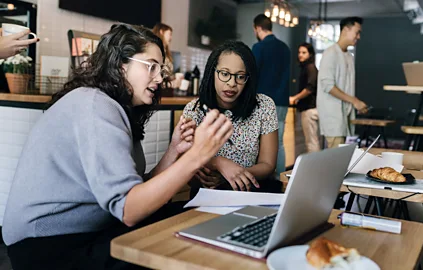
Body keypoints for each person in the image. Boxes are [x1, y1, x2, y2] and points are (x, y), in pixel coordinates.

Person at [2, 24, 233, 270]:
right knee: (178, 236)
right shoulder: (95, 106)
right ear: (121, 64)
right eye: (151, 66)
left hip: (86, 231)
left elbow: (131, 193)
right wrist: (196, 156)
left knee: (186, 217)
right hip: (47, 248)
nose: (159, 77)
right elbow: (129, 209)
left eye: (161, 68)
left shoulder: (112, 106)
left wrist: (174, 151)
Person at [183, 40, 278, 196]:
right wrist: (218, 163)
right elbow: (187, 171)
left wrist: (231, 175)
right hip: (205, 198)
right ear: (212, 72)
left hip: (249, 193)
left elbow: (268, 165)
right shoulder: (195, 110)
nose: (232, 83)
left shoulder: (264, 106)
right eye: (225, 74)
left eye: (240, 77)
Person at [317, 16, 368, 148]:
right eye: (357, 32)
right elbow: (328, 86)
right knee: (334, 161)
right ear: (346, 29)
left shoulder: (349, 56)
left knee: (338, 157)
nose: (359, 37)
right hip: (333, 115)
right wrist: (354, 101)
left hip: (344, 116)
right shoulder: (330, 53)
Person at [252, 14, 290, 178]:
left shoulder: (258, 48)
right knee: (279, 143)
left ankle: (263, 179)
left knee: (261, 143)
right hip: (282, 101)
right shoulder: (285, 48)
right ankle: (280, 180)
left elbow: (252, 75)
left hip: (262, 101)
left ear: (258, 28)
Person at [290, 42, 322, 152]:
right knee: (310, 141)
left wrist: (295, 98)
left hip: (310, 109)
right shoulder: (307, 68)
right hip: (309, 109)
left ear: (310, 54)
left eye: (304, 52)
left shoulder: (310, 68)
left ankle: (315, 168)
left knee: (311, 142)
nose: (300, 55)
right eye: (299, 52)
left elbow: (309, 88)